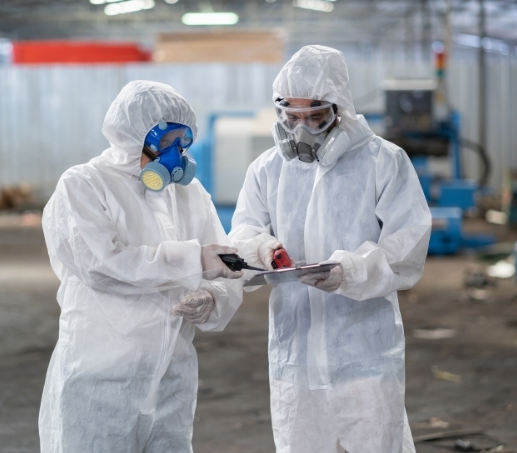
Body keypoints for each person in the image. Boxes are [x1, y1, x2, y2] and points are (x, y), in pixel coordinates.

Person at [229, 45, 431, 453]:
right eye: (293, 117)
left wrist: (350, 271)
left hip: (365, 352)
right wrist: (260, 250)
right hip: (295, 355)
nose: (302, 130)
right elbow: (240, 238)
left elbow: (408, 244)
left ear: (340, 109)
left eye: (316, 117)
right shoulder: (267, 169)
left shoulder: (383, 162)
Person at [39, 80, 243, 452]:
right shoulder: (84, 184)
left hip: (171, 379)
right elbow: (101, 266)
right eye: (166, 142)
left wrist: (213, 297)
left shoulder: (189, 193)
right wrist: (193, 259)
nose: (177, 153)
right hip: (102, 379)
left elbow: (225, 259)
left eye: (183, 142)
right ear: (130, 134)